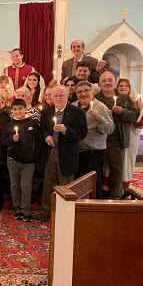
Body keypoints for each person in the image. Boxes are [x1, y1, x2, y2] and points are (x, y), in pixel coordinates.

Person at [40, 85, 88, 220]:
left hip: (67, 154)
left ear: (67, 96)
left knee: (65, 184)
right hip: (50, 153)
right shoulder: (46, 112)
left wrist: (66, 130)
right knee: (48, 183)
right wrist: (47, 137)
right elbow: (43, 129)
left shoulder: (77, 112)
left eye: (62, 95)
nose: (58, 98)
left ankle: (65, 214)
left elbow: (82, 133)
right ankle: (47, 210)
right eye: (55, 96)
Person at [95, 72, 139, 198]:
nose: (107, 83)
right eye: (104, 81)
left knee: (116, 170)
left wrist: (122, 111)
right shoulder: (96, 98)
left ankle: (115, 197)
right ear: (99, 84)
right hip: (99, 140)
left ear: (115, 82)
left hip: (117, 140)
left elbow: (135, 116)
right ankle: (98, 196)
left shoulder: (124, 98)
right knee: (98, 170)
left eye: (110, 80)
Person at [1, 99, 42, 222]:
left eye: (20, 109)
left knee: (26, 185)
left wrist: (34, 155)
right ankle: (17, 209)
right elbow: (2, 142)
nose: (18, 111)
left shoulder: (33, 123)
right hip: (13, 159)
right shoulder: (9, 124)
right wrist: (12, 140)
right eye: (15, 109)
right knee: (14, 185)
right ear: (11, 111)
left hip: (29, 161)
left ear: (25, 109)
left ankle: (26, 210)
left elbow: (39, 140)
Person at [73, 81, 114, 199]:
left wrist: (99, 118)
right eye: (80, 92)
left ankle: (95, 210)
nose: (83, 94)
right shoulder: (74, 106)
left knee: (93, 184)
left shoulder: (100, 107)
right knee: (78, 184)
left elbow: (110, 128)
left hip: (93, 152)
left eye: (86, 91)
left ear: (92, 92)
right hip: (77, 151)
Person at [119, 79, 143, 191]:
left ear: (129, 88)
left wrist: (140, 109)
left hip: (130, 136)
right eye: (120, 85)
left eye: (125, 86)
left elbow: (140, 124)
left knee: (127, 162)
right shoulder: (113, 100)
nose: (123, 87)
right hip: (115, 137)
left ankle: (124, 189)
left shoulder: (135, 103)